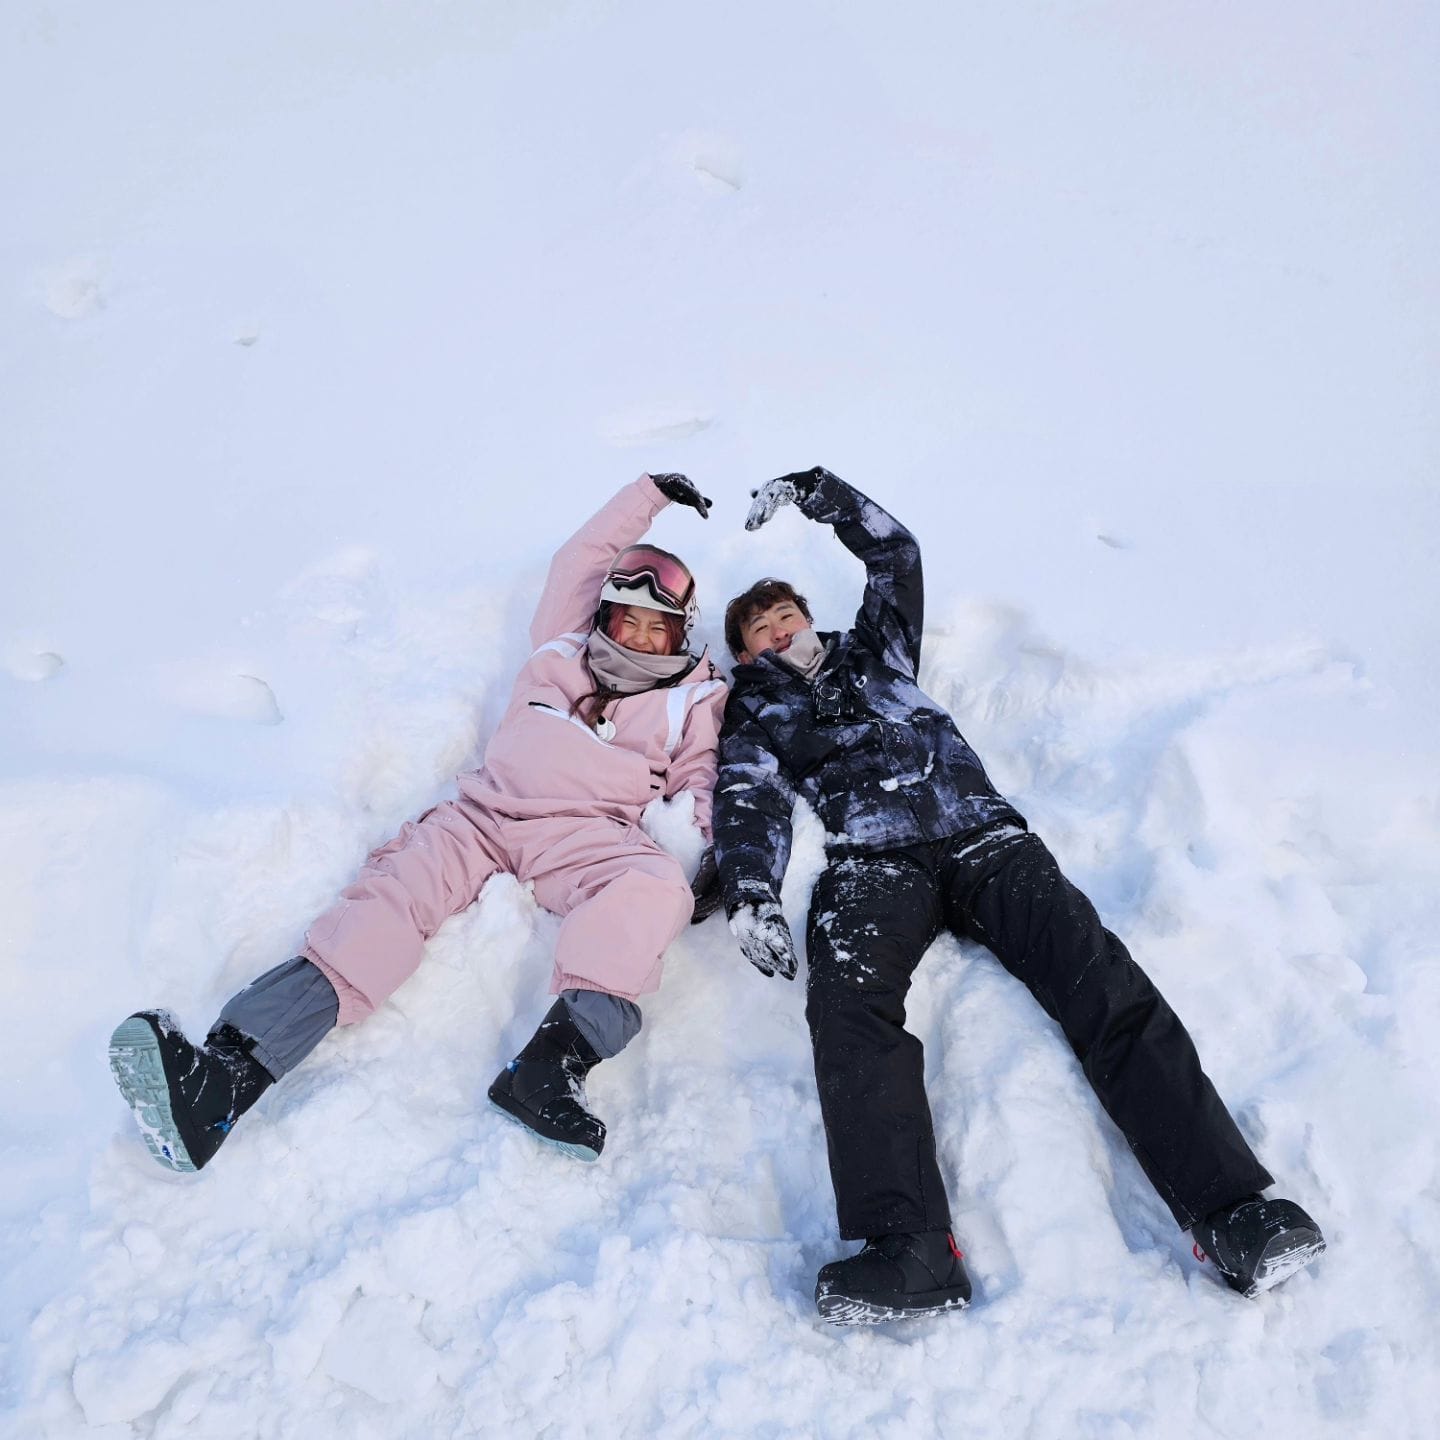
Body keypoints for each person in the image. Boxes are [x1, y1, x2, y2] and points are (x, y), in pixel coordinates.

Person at [713, 466, 1325, 1324]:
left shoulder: (877, 650)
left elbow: (896, 555)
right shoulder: (755, 711)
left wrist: (824, 493)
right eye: (759, 630)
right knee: (848, 1009)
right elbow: (746, 800)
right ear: (745, 654)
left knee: (1101, 982)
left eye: (786, 616)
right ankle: (910, 1247)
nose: (778, 632)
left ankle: (1234, 1211)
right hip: (870, 863)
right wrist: (751, 890)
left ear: (810, 619)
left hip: (982, 835)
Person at [110, 472, 727, 1172]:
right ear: (605, 616)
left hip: (588, 836)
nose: (641, 637)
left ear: (680, 630)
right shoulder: (562, 639)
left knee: (654, 888)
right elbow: (581, 558)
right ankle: (223, 1080)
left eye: (658, 626)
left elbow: (697, 784)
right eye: (628, 620)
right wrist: (647, 495)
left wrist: (704, 856)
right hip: (486, 814)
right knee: (391, 901)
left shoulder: (695, 692)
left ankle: (551, 1068)